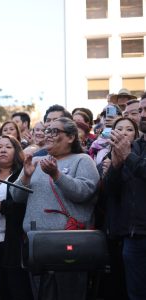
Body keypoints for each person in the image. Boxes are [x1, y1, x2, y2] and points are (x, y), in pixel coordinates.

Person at [11, 117, 100, 300]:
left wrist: (56, 174)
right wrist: (25, 178)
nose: (48, 135)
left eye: (54, 131)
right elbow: (16, 197)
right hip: (36, 243)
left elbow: (84, 192)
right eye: (47, 131)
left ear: (71, 137)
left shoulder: (82, 160)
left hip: (69, 243)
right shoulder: (36, 160)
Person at [104, 96, 146, 300]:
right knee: (135, 294)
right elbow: (110, 189)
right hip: (134, 236)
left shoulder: (130, 151)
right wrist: (116, 164)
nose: (144, 115)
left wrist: (128, 156)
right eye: (143, 110)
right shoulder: (132, 147)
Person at [96, 117, 139, 300]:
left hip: (136, 231)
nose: (123, 132)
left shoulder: (140, 157)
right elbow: (107, 193)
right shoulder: (107, 158)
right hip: (114, 230)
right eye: (119, 128)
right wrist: (113, 168)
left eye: (129, 129)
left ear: (136, 135)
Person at [0, 135, 33, 300]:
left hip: (13, 242)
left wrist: (3, 206)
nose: (3, 150)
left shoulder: (21, 175)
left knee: (16, 287)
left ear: (16, 151)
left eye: (8, 147)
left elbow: (25, 204)